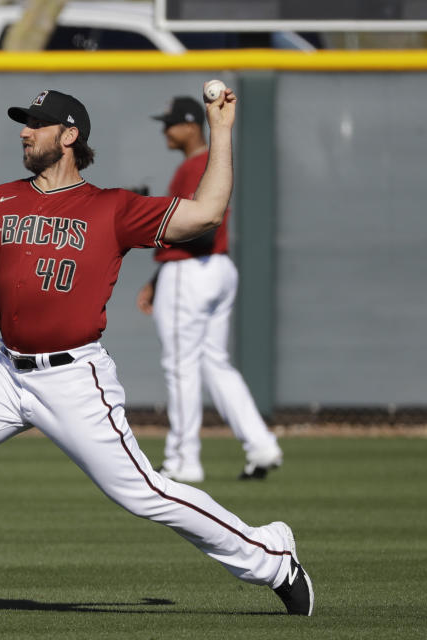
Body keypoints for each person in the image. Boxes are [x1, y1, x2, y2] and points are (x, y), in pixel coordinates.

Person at [0, 89, 313, 616]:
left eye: (37, 123)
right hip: (5, 372)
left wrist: (221, 129)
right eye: (24, 123)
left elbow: (208, 214)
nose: (25, 132)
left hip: (74, 377)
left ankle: (272, 558)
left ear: (70, 135)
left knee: (144, 493)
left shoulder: (111, 208)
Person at [136, 96, 283, 483]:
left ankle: (184, 460)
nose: (165, 130)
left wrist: (149, 216)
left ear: (189, 125)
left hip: (191, 270)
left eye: (170, 123)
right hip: (218, 269)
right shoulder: (210, 162)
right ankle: (261, 445)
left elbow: (199, 228)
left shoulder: (194, 166)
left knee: (181, 366)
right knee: (213, 362)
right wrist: (154, 281)